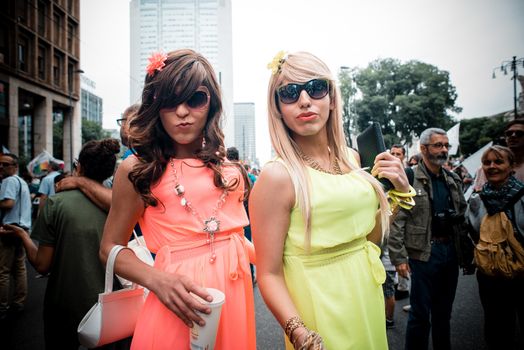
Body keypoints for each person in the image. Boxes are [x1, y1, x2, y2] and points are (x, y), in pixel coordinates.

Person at [250, 51, 412, 349]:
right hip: (318, 308)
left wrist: (397, 194)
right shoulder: (276, 177)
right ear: (277, 109)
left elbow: (370, 241)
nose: (304, 100)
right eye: (288, 93)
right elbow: (269, 274)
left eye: (315, 87)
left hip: (366, 294)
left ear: (332, 97)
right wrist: (299, 332)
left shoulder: (352, 159)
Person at [99, 49, 256, 350]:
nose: (182, 111)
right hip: (174, 307)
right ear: (155, 106)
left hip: (234, 304)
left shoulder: (230, 171)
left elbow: (237, 241)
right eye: (170, 101)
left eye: (195, 99)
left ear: (211, 104)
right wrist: (156, 279)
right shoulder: (139, 169)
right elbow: (108, 248)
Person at [0, 139, 121, 348]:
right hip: (112, 305)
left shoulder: (58, 203)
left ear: (79, 167)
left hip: (65, 305)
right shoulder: (121, 206)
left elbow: (42, 264)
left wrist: (22, 235)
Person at [389, 127, 475, 350]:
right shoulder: (408, 178)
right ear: (424, 148)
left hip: (450, 252)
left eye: (446, 145)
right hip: (423, 254)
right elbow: (397, 220)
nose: (444, 149)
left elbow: (462, 218)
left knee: (443, 314)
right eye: (438, 145)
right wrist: (399, 258)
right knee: (419, 315)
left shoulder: (453, 179)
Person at [466, 145, 524, 350]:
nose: (492, 166)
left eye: (498, 161)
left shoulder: (522, 196)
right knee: (495, 325)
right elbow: (473, 232)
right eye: (487, 162)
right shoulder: (477, 199)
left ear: (511, 166)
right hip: (491, 274)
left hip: (521, 273)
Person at [0, 153, 31, 321]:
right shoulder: (21, 182)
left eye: (5, 165)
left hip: (10, 228)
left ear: (14, 166)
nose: (2, 168)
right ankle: (19, 302)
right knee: (19, 268)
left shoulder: (9, 181)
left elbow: (8, 203)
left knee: (3, 270)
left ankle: (2, 306)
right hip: (22, 229)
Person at [473, 119, 524, 191]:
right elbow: (480, 194)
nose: (513, 135)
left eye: (519, 133)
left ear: (511, 167)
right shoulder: (486, 169)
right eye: (509, 133)